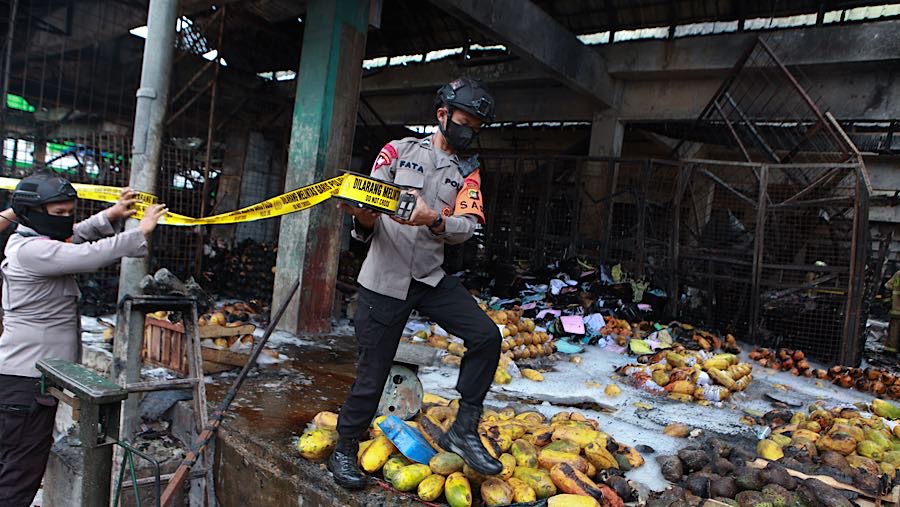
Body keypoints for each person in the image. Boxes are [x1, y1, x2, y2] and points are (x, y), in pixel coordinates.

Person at [328, 78, 502, 489]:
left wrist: (434, 219)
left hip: (429, 277)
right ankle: (344, 449)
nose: (469, 133)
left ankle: (464, 428)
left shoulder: (468, 171)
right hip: (383, 279)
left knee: (486, 336)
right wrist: (363, 216)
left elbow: (467, 226)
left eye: (476, 128)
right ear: (442, 115)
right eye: (464, 123)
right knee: (372, 374)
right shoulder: (397, 151)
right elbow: (367, 214)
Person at [0, 171, 167, 506]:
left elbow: (74, 236)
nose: (66, 219)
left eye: (69, 212)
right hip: (25, 384)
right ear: (32, 213)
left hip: (23, 381)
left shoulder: (33, 241)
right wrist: (141, 231)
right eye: (58, 213)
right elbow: (88, 255)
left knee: (15, 466)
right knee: (19, 474)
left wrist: (112, 215)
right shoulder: (32, 251)